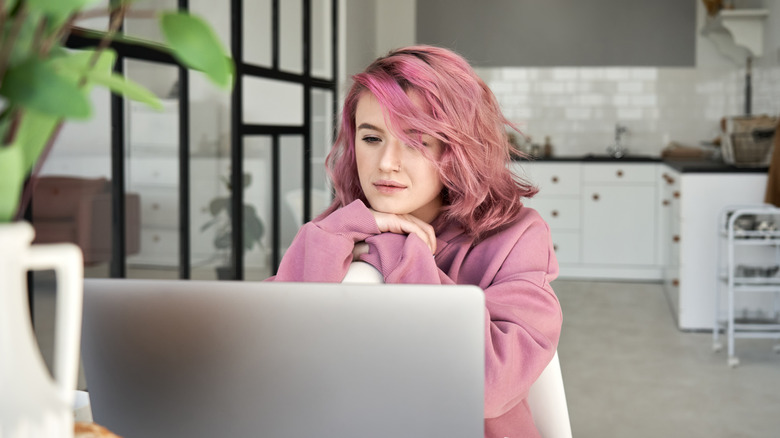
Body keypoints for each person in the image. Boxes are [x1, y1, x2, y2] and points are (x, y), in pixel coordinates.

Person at [269, 45, 562, 438]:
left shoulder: (518, 236)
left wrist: (395, 249)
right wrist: (332, 232)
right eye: (372, 139)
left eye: (416, 141)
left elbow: (487, 387)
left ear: (459, 148)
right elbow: (279, 352)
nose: (386, 163)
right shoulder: (345, 225)